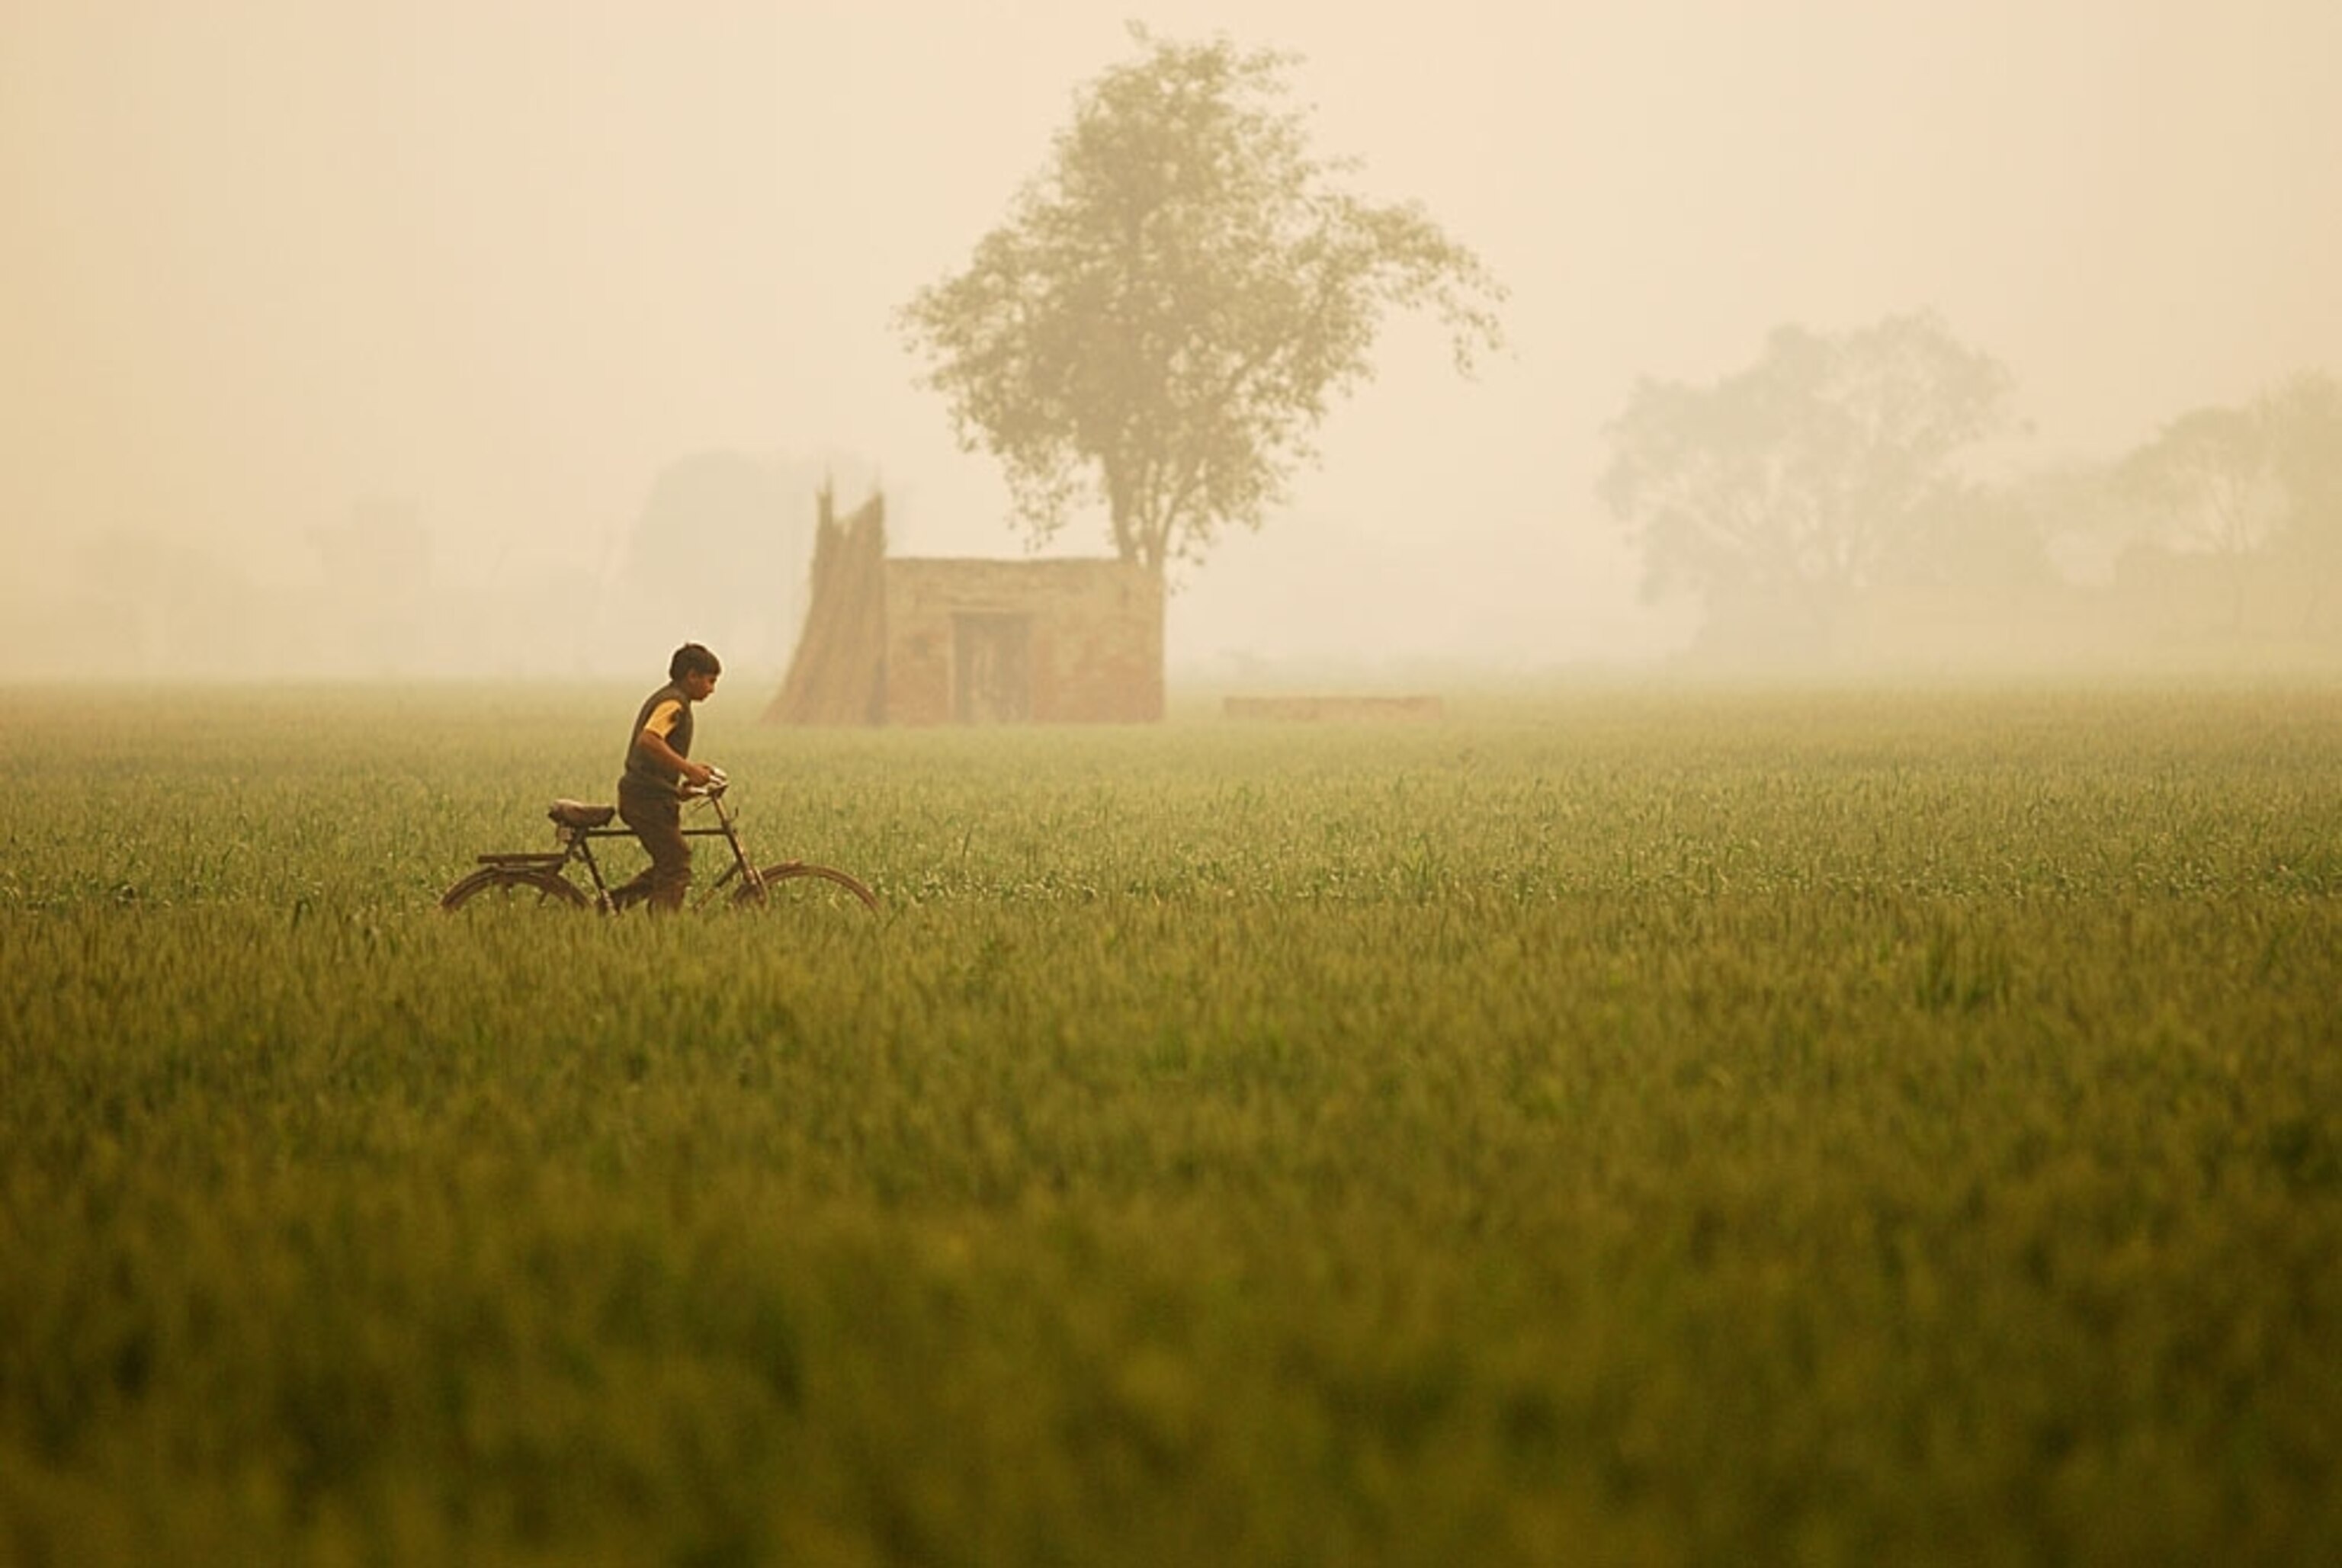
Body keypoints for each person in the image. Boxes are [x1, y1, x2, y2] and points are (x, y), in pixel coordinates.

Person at [613, 643, 722, 911]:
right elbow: (649, 740)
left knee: (669, 864)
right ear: (692, 676)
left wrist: (677, 790)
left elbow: (656, 751)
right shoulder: (674, 702)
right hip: (644, 799)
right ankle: (661, 931)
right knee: (676, 865)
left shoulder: (673, 699)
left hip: (650, 795)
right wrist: (690, 769)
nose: (712, 689)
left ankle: (606, 908)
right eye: (710, 681)